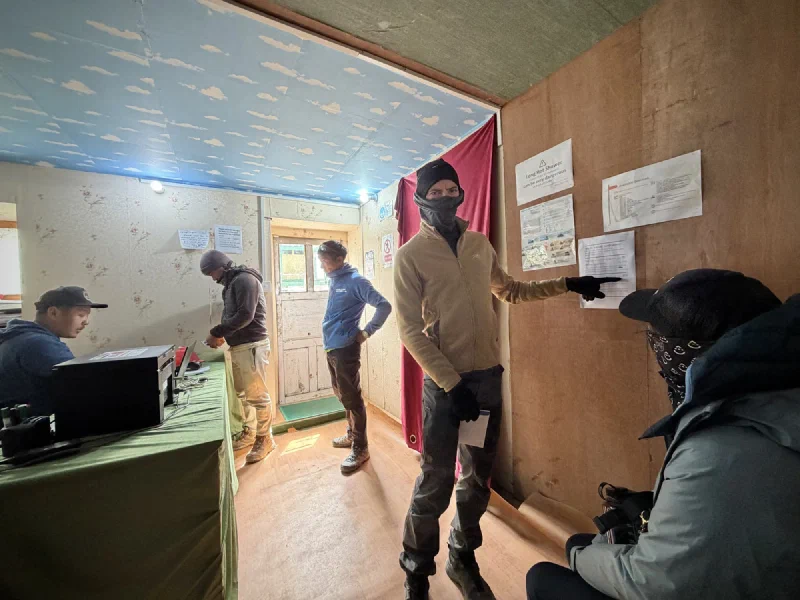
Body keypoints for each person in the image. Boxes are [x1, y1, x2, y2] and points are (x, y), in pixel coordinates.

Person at [394, 158, 618, 600]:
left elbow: (510, 290)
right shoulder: (410, 256)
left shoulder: (479, 244)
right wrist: (450, 384)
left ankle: (463, 558)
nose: (443, 198)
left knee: (477, 479)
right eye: (433, 192)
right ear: (421, 199)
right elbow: (408, 330)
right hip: (445, 390)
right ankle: (416, 574)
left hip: (485, 386)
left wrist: (568, 283)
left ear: (460, 194)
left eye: (449, 190)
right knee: (435, 484)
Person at [527, 268, 800, 600]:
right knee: (584, 541)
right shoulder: (769, 391)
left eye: (657, 340)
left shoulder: (717, 444)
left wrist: (582, 557)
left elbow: (656, 582)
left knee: (547, 574)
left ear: (686, 353)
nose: (654, 351)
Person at [317, 240, 392, 474]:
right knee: (341, 393)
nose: (322, 266)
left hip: (346, 348)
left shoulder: (356, 281)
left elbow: (384, 305)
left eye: (325, 261)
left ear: (339, 260)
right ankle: (352, 435)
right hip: (332, 347)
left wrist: (366, 332)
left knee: (352, 397)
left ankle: (361, 447)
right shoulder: (336, 280)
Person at [200, 249, 275, 464]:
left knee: (257, 396)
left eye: (212, 273)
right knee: (244, 394)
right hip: (241, 346)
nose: (213, 278)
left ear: (220, 268)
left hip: (252, 345)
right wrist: (226, 334)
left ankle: (265, 438)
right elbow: (236, 316)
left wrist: (217, 332)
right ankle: (251, 433)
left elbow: (245, 315)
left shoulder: (244, 280)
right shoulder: (232, 283)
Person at [0, 286, 107, 415]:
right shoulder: (39, 344)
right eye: (81, 315)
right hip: (31, 429)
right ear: (53, 313)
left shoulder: (20, 337)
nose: (86, 322)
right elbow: (82, 384)